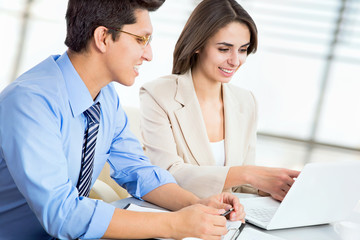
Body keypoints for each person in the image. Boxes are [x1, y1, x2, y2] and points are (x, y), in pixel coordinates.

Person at [0, 0, 245, 239]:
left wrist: (197, 205)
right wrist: (174, 224)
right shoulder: (30, 102)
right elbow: (62, 214)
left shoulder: (105, 97)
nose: (148, 54)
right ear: (103, 37)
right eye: (141, 39)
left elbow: (137, 171)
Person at [140, 0, 300, 201]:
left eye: (243, 50)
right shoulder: (158, 94)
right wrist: (247, 173)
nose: (235, 61)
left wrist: (272, 187)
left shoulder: (245, 101)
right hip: (176, 215)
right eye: (224, 49)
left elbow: (241, 187)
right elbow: (165, 174)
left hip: (226, 217)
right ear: (198, 45)